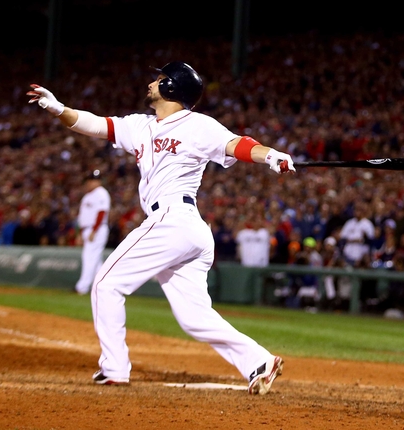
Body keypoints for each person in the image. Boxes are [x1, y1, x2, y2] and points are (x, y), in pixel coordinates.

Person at [27, 61, 294, 395]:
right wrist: (57, 108)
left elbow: (239, 145)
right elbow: (95, 125)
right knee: (193, 317)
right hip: (181, 228)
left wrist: (270, 156)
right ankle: (260, 361)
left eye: (160, 78)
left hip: (175, 220)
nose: (152, 82)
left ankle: (114, 369)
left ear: (172, 88)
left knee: (107, 284)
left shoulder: (198, 125)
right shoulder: (140, 126)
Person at [74, 170, 111, 295]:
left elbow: (102, 212)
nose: (92, 182)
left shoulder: (102, 193)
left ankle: (82, 287)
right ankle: (102, 287)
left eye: (95, 180)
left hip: (97, 229)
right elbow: (81, 217)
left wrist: (94, 230)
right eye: (90, 180)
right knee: (96, 261)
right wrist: (79, 233)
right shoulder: (87, 196)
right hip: (87, 229)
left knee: (89, 258)